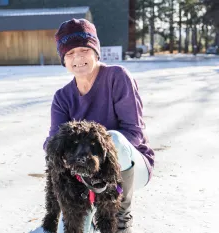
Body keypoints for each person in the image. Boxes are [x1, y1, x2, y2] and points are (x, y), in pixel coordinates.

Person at [43, 18, 155, 233]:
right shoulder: (62, 98)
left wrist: (101, 161)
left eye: (84, 50)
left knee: (112, 138)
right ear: (64, 60)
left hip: (128, 166)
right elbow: (52, 142)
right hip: (84, 172)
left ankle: (121, 216)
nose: (78, 58)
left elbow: (134, 132)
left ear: (95, 51)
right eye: (70, 53)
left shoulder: (117, 77)